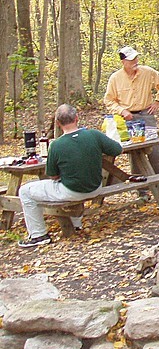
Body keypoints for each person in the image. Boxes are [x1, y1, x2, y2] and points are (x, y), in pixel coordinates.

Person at [18, 104, 123, 247]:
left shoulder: (56, 145)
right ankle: (76, 223)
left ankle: (38, 234)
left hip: (73, 191)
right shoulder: (94, 135)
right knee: (74, 181)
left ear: (57, 123)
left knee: (25, 191)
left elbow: (53, 175)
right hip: (96, 187)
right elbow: (117, 149)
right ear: (77, 118)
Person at [103, 46, 159, 173]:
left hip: (147, 115)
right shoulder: (115, 78)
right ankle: (142, 189)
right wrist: (122, 111)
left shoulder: (147, 72)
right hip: (128, 119)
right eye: (131, 59)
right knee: (135, 154)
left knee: (155, 150)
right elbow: (109, 100)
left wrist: (158, 101)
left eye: (136, 57)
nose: (135, 61)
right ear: (123, 62)